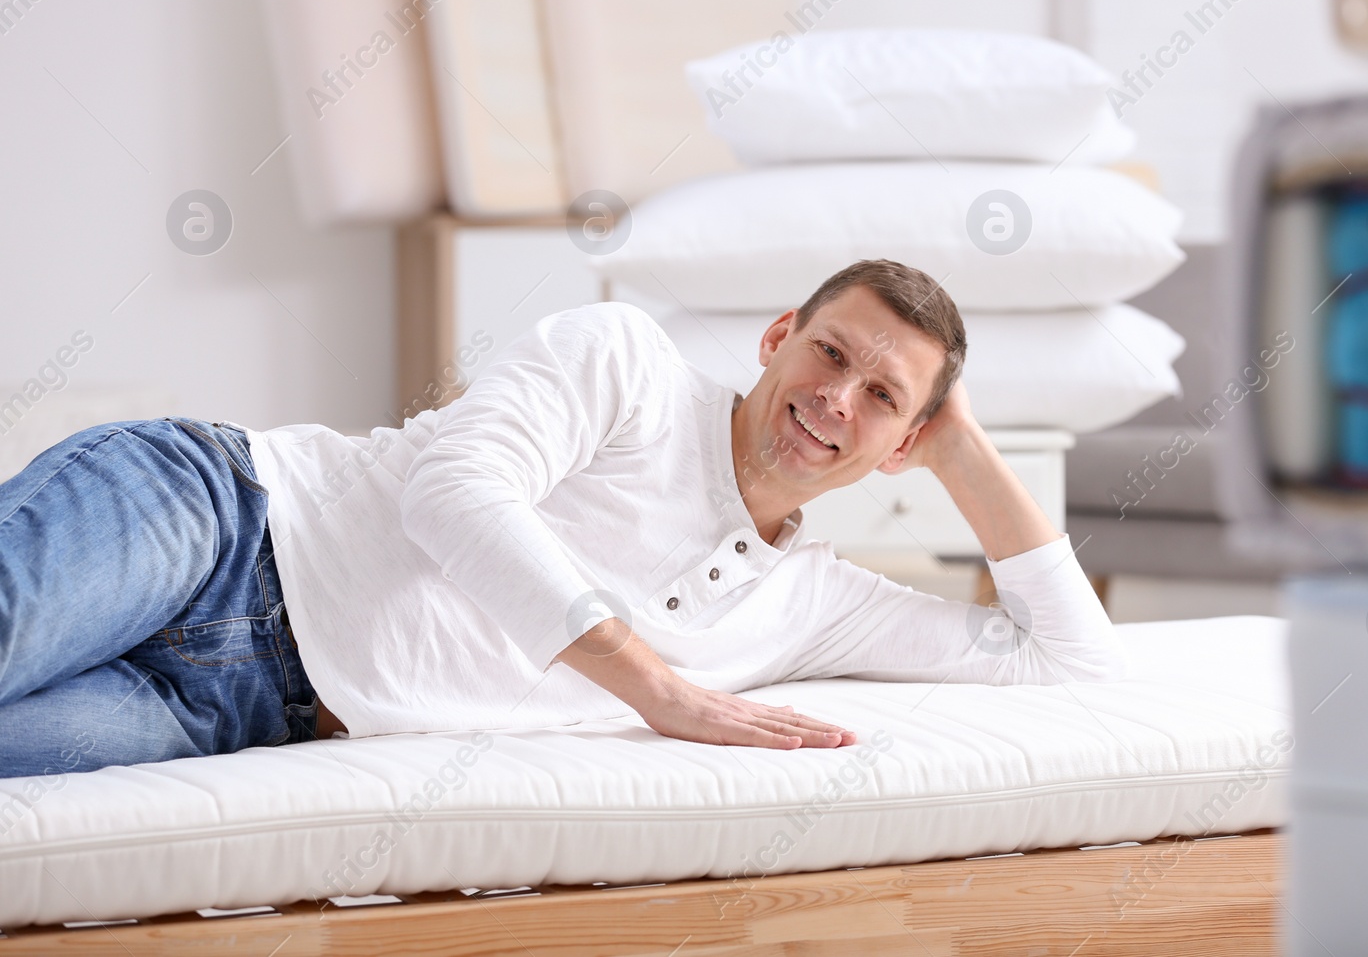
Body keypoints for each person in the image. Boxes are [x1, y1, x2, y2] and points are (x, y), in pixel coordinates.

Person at [0, 259, 1126, 779]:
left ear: (904, 440)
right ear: (780, 333)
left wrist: (966, 451)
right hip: (220, 519)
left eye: (885, 397)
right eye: (831, 350)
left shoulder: (812, 603)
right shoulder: (625, 359)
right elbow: (456, 491)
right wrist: (660, 690)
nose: (838, 397)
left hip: (242, 709)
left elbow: (1071, 664)